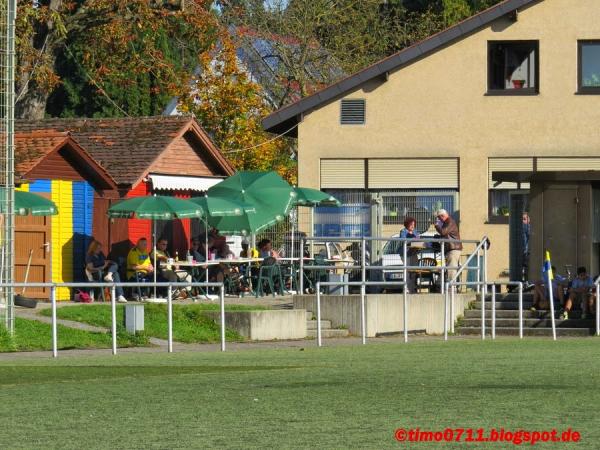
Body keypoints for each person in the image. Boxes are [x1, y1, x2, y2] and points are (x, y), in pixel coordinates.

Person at [434, 209, 462, 282]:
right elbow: (445, 234)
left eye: (439, 218)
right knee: (451, 268)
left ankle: (451, 287)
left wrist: (437, 226)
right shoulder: (448, 222)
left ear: (442, 216)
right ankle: (451, 287)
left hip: (453, 249)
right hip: (452, 248)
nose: (439, 220)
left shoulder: (449, 221)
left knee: (451, 269)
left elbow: (443, 232)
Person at [400, 217, 420, 293]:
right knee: (407, 271)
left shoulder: (416, 231)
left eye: (414, 225)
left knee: (414, 270)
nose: (413, 226)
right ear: (407, 224)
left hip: (413, 253)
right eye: (411, 224)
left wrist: (417, 239)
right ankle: (406, 288)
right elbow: (403, 240)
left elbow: (418, 239)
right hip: (406, 254)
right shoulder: (403, 231)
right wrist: (412, 239)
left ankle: (413, 288)